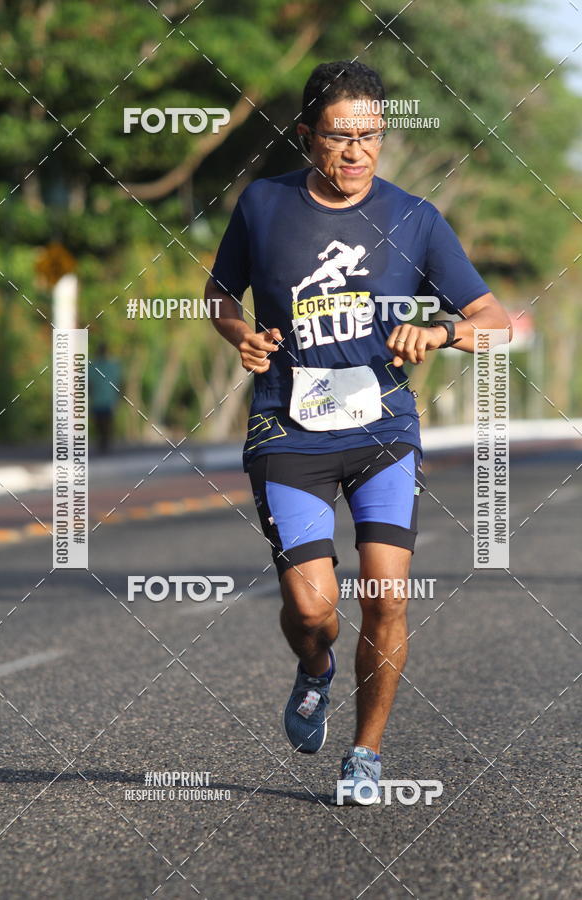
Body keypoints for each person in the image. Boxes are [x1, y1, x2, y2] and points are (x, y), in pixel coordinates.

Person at [206, 60, 511, 805]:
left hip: (383, 428)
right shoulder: (264, 206)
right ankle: (315, 671)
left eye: (370, 137)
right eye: (340, 138)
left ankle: (366, 754)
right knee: (314, 609)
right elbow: (218, 292)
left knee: (386, 596)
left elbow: (496, 323)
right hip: (289, 426)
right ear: (307, 135)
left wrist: (439, 331)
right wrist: (239, 333)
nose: (356, 154)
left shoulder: (415, 218)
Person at [88, 342, 121, 454]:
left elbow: (89, 384)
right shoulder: (113, 365)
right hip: (107, 399)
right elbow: (118, 382)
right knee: (105, 423)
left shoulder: (93, 366)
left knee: (101, 423)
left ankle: (104, 442)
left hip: (99, 399)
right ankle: (104, 442)